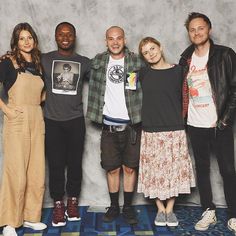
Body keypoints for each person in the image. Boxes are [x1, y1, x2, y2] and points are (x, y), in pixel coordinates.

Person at [179, 12, 236, 233]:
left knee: (228, 171)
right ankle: (208, 210)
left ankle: (233, 214)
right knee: (202, 169)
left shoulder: (225, 55)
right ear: (189, 33)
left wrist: (224, 120)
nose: (196, 32)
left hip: (219, 124)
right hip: (195, 124)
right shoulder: (185, 58)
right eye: (192, 29)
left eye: (200, 28)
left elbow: (234, 90)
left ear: (209, 29)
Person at [87, 26, 144, 225]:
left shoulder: (137, 61)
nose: (115, 42)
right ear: (106, 41)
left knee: (129, 168)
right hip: (109, 128)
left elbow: (155, 76)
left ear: (124, 39)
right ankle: (114, 206)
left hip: (132, 127)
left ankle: (128, 207)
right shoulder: (98, 61)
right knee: (112, 169)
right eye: (111, 39)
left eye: (119, 38)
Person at [137, 37, 195, 227]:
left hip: (175, 128)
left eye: (152, 48)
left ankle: (169, 209)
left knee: (173, 172)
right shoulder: (142, 73)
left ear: (160, 47)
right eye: (145, 52)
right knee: (154, 172)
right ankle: (160, 210)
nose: (150, 53)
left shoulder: (179, 71)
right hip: (151, 129)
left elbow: (189, 96)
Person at [41, 22, 90, 227]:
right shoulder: (44, 59)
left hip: (75, 121)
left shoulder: (84, 62)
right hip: (52, 121)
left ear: (74, 37)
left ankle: (72, 202)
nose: (65, 37)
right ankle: (58, 204)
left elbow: (104, 75)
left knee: (75, 164)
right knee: (56, 165)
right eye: (61, 34)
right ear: (55, 36)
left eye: (69, 34)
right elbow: (22, 65)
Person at [0, 22, 47, 236]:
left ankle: (30, 217)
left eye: (29, 38)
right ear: (16, 41)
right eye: (22, 38)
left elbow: (42, 93)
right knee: (16, 171)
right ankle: (10, 221)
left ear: (34, 40)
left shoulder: (38, 63)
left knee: (36, 171)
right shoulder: (7, 62)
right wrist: (7, 111)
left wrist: (36, 109)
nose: (26, 42)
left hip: (37, 118)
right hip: (16, 119)